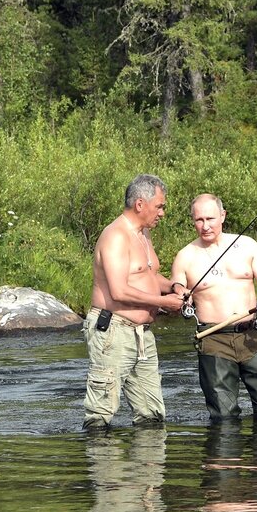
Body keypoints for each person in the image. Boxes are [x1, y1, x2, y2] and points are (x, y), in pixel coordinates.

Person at [83, 174, 185, 429]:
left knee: (152, 415)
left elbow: (148, 276)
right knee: (100, 415)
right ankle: (104, 466)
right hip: (113, 332)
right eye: (159, 206)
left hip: (142, 335)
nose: (162, 212)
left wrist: (174, 287)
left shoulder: (144, 233)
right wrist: (164, 303)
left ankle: (147, 469)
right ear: (140, 204)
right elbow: (119, 291)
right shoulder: (115, 236)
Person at [171, 194, 257, 420]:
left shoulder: (248, 245)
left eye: (210, 218)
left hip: (252, 335)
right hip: (213, 339)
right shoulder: (185, 256)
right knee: (224, 416)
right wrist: (183, 296)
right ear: (192, 220)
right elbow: (178, 288)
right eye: (198, 220)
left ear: (223, 216)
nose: (205, 226)